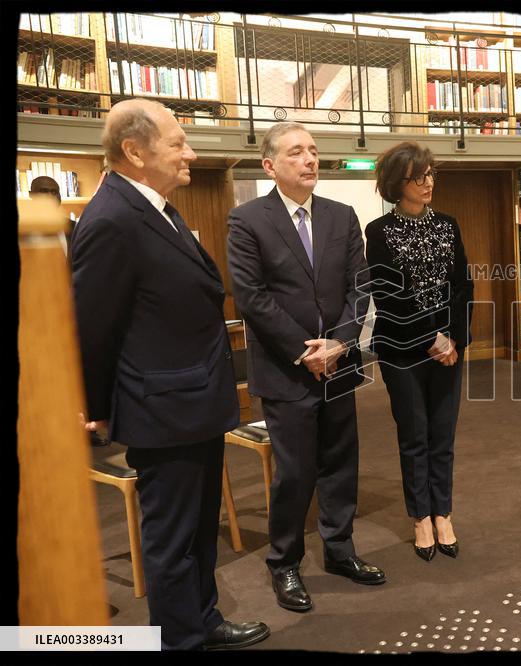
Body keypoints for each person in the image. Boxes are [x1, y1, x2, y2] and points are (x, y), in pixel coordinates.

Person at [71, 98, 269, 650]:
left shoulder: (154, 206)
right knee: (172, 536)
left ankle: (201, 621)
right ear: (135, 152)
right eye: (178, 142)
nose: (191, 152)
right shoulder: (111, 218)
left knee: (198, 531)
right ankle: (178, 639)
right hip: (162, 408)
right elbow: (93, 327)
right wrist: (99, 409)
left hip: (192, 402)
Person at [227, 122, 383, 614]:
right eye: (297, 152)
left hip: (338, 366)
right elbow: (252, 297)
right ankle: (284, 562)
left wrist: (337, 343)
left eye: (314, 151)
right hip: (285, 369)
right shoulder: (247, 219)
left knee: (341, 463)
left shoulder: (342, 216)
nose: (310, 160)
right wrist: (305, 350)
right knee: (294, 473)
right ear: (270, 166)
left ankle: (340, 552)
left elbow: (361, 285)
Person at [362, 142, 473, 561]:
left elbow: (464, 284)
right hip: (403, 349)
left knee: (442, 435)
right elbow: (389, 295)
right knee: (414, 435)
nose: (428, 183)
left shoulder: (448, 224)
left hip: (448, 349)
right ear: (397, 182)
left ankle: (442, 512)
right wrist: (431, 337)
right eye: (418, 176)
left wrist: (453, 338)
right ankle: (420, 517)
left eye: (430, 174)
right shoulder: (378, 231)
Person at [28, 175, 72, 255]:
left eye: (54, 192)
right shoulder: (23, 228)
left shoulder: (73, 227)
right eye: (43, 191)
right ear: (31, 194)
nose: (50, 196)